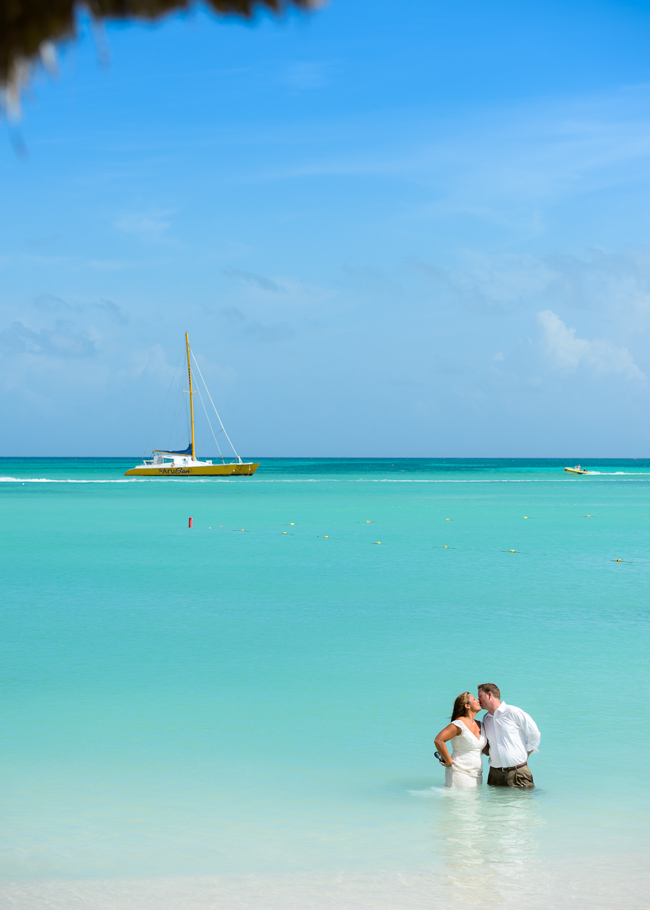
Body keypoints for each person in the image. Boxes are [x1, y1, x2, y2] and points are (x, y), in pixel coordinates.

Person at [477, 683, 541, 788]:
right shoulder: (485, 718)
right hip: (494, 774)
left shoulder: (513, 712)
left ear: (489, 695)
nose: (478, 700)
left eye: (480, 696)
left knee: (523, 804)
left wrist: (525, 755)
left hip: (518, 772)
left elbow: (534, 734)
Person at [434, 692, 486, 788]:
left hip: (477, 774)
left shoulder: (481, 725)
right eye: (474, 699)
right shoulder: (459, 724)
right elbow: (438, 740)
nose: (478, 700)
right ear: (467, 705)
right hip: (459, 772)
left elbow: (486, 750)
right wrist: (448, 761)